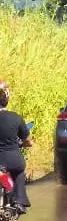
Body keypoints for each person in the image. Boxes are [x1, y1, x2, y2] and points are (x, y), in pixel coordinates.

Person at [0, 82, 33, 213]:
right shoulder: (16, 118)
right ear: (6, 101)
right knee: (19, 172)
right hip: (13, 159)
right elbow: (28, 141)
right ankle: (19, 201)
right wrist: (24, 144)